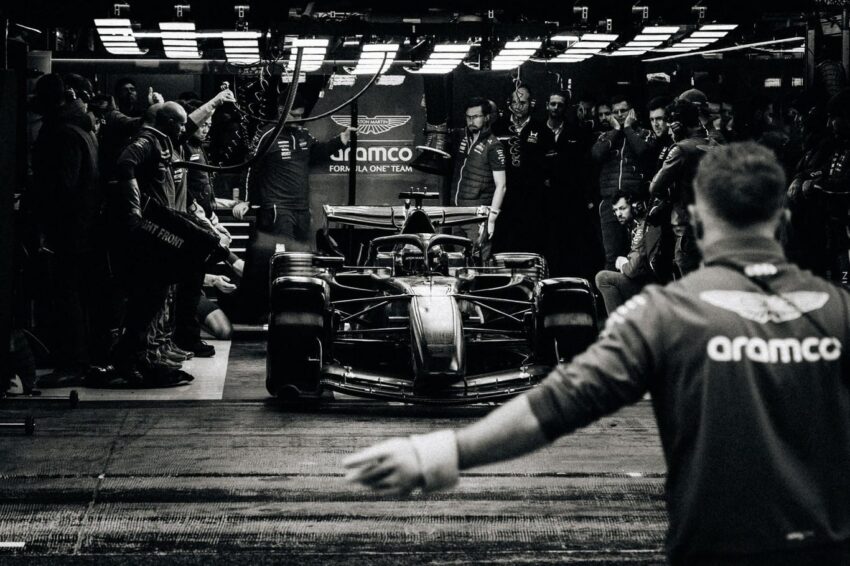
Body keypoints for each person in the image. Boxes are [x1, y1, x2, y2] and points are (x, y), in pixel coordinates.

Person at [344, 141, 850, 566]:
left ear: (695, 221)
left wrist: (438, 454)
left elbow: (557, 404)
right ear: (784, 220)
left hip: (716, 549)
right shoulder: (840, 310)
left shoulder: (666, 314)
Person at [234, 93, 353, 320]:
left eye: (301, 116)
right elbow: (250, 167)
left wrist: (341, 140)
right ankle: (274, 310)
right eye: (295, 115)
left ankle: (295, 309)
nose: (299, 120)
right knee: (283, 261)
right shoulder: (267, 134)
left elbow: (318, 152)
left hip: (301, 210)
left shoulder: (303, 134)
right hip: (277, 210)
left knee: (301, 258)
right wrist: (245, 200)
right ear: (282, 111)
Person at [649, 99, 711, 277]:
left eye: (671, 126)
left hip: (688, 230)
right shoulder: (719, 147)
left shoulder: (681, 149)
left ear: (677, 126)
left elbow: (655, 187)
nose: (669, 130)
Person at [592, 94, 653, 270]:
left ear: (632, 112)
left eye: (623, 111)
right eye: (615, 112)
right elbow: (596, 155)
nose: (619, 115)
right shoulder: (605, 136)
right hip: (610, 202)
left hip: (636, 201)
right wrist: (617, 130)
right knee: (612, 256)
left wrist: (627, 128)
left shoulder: (644, 134)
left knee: (638, 255)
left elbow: (644, 152)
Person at [543, 90, 600, 279]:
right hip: (545, 199)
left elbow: (583, 167)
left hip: (570, 198)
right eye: (553, 104)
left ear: (565, 108)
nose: (556, 108)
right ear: (547, 105)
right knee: (548, 243)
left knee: (571, 244)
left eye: (560, 104)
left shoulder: (576, 132)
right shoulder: (538, 130)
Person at [492, 84, 554, 255]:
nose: (518, 106)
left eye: (523, 103)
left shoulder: (542, 129)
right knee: (504, 242)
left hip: (533, 197)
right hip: (503, 195)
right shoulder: (498, 127)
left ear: (531, 103)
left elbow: (550, 165)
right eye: (515, 102)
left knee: (531, 242)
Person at [449, 97, 507, 262]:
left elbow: (502, 186)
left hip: (478, 217)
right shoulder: (462, 138)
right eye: (468, 117)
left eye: (476, 116)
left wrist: (492, 218)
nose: (471, 121)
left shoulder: (494, 146)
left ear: (487, 117)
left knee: (478, 264)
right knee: (457, 263)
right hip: (457, 213)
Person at [594, 192, 656, 314]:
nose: (618, 214)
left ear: (635, 206)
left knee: (602, 278)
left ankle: (619, 324)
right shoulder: (632, 226)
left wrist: (622, 263)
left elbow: (632, 269)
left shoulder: (641, 226)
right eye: (615, 210)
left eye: (622, 208)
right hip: (648, 284)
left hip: (651, 288)